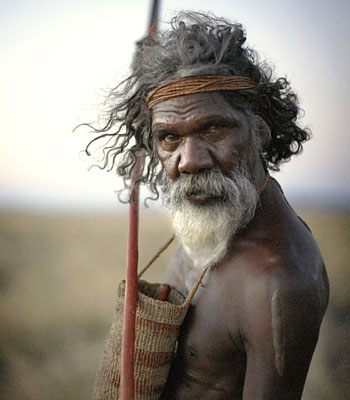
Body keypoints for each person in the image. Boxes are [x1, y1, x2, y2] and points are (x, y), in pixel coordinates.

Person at [87, 11, 329, 399]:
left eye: (213, 128)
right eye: (168, 138)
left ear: (260, 127)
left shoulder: (277, 283)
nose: (189, 160)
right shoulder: (212, 220)